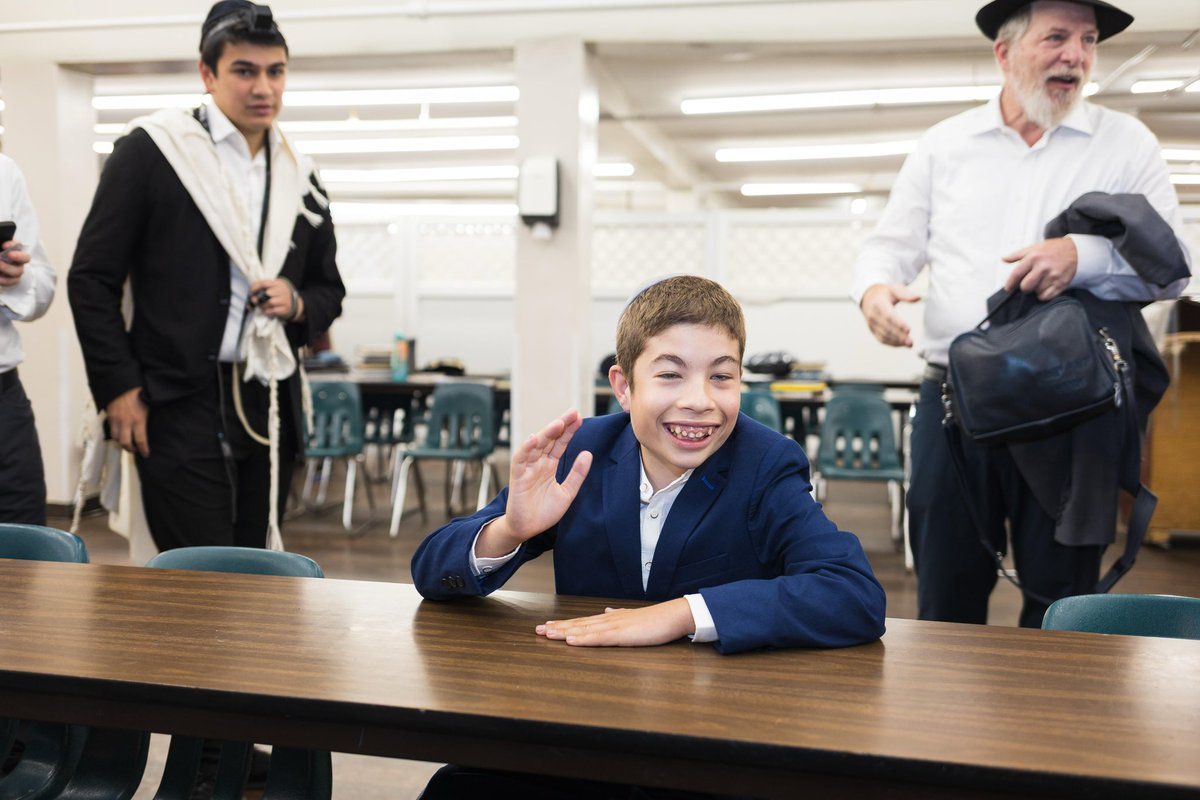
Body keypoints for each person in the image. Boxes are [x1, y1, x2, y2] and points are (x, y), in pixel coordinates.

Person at [412, 275, 886, 799]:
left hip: (714, 741)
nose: (699, 401)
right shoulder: (584, 452)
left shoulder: (766, 464)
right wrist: (510, 529)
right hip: (584, 725)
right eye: (670, 376)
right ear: (623, 385)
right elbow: (431, 572)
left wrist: (682, 612)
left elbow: (853, 593)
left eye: (721, 377)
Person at [852, 0, 1191, 627]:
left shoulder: (1126, 143)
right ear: (1003, 53)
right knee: (945, 591)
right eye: (1056, 37)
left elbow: (1171, 265)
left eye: (1088, 40)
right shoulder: (945, 145)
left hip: (1071, 411)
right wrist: (875, 289)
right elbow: (888, 244)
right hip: (954, 405)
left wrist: (1081, 255)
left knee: (1061, 601)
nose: (1076, 55)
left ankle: (1052, 726)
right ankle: (945, 726)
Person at [68, 0, 345, 554]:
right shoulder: (153, 151)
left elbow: (328, 289)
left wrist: (295, 302)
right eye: (244, 71)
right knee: (198, 569)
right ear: (207, 74)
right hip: (173, 398)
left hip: (267, 395)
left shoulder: (299, 174)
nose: (263, 87)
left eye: (275, 71)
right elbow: (91, 277)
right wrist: (118, 387)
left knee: (255, 561)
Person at [0, 158, 55, 526]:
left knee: (25, 547)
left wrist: (15, 277)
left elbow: (44, 286)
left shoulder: (4, 172)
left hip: (4, 401)